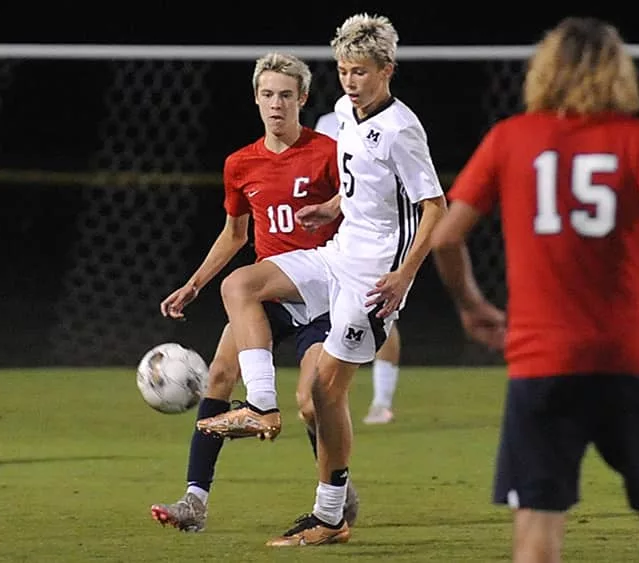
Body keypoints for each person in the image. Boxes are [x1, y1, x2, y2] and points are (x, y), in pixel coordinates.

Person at [431, 17, 639, 563]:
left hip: (542, 362)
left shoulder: (510, 138)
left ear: (544, 69)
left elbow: (446, 238)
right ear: (618, 72)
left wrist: (472, 305)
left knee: (538, 530)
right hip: (629, 358)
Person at [197, 13, 447, 547]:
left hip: (372, 282)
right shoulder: (343, 112)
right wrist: (332, 205)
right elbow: (364, 186)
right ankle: (261, 403)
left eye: (360, 71)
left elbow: (434, 207)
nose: (350, 81)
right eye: (343, 70)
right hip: (335, 256)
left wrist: (404, 275)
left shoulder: (402, 129)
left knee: (320, 394)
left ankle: (330, 516)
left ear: (387, 70)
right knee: (239, 286)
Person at [148, 52, 358, 532]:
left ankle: (335, 490)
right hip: (269, 296)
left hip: (325, 298)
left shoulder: (328, 151)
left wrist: (335, 206)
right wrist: (193, 283)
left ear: (303, 98)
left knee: (312, 401)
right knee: (219, 373)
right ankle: (194, 503)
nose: (276, 104)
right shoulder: (241, 164)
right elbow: (235, 234)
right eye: (267, 95)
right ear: (256, 99)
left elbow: (360, 205)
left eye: (286, 95)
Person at [315, 109, 404, 425]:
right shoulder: (330, 121)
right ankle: (327, 392)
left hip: (377, 236)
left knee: (378, 310)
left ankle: (381, 401)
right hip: (339, 230)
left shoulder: (396, 123)